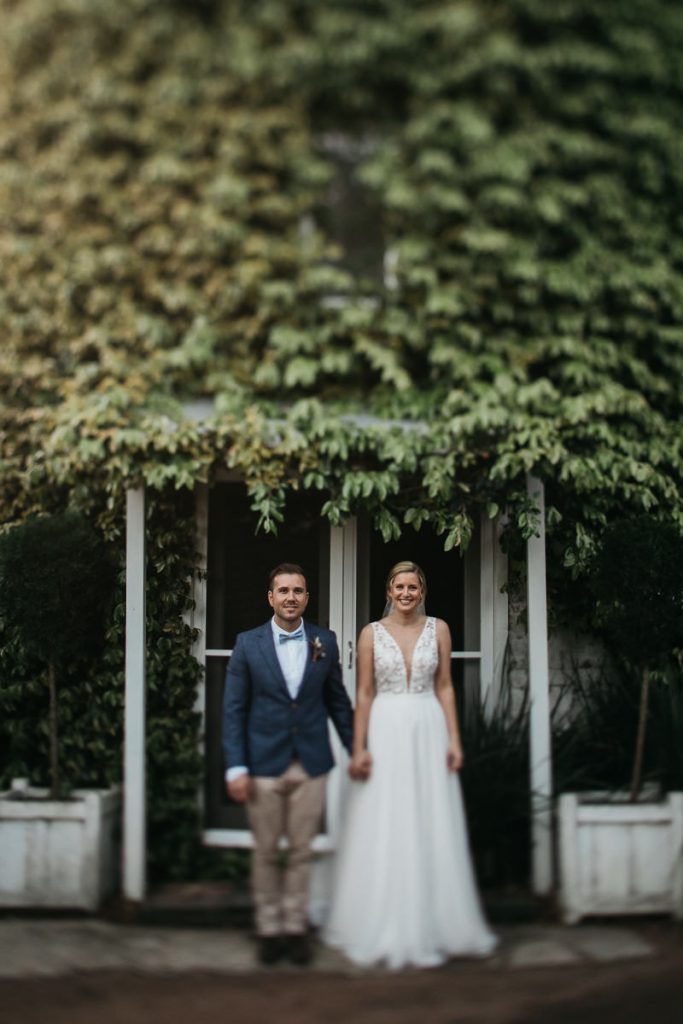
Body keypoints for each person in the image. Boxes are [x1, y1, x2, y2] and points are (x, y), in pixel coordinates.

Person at [324, 560, 497, 969]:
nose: (406, 593)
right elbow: (364, 693)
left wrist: (454, 740)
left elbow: (446, 687)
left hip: (427, 727)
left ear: (422, 591)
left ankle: (436, 921)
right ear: (389, 589)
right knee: (384, 818)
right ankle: (380, 916)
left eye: (413, 587)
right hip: (384, 728)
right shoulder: (370, 634)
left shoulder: (440, 628)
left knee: (428, 816)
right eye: (399, 586)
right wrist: (359, 747)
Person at [222, 562, 353, 967]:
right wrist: (236, 767)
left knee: (300, 852)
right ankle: (269, 929)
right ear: (271, 597)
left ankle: (295, 929)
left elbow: (337, 703)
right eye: (283, 591)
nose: (290, 598)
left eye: (298, 591)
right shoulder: (247, 644)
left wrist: (357, 750)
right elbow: (234, 709)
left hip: (311, 763)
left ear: (307, 597)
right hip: (263, 763)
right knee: (264, 853)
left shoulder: (324, 641)